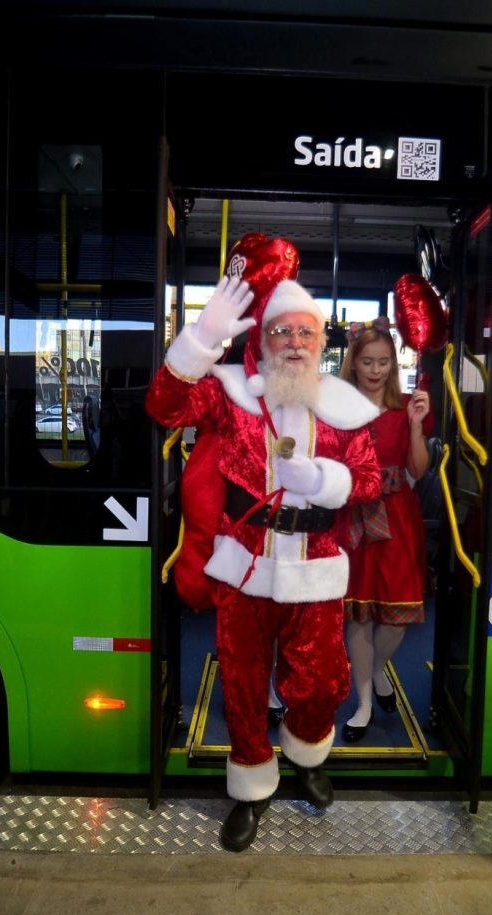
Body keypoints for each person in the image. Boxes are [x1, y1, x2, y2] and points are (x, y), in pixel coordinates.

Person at [146, 269, 380, 852]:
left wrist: (328, 479)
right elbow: (164, 407)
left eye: (306, 332)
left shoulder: (344, 408)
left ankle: (306, 754)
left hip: (318, 567)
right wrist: (202, 337)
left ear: (321, 341)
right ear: (263, 340)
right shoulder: (229, 394)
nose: (295, 342)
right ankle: (251, 789)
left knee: (322, 681)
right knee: (245, 685)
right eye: (282, 331)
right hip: (244, 565)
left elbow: (372, 480)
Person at [337, 318, 431, 743]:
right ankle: (363, 703)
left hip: (397, 518)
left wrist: (414, 427)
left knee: (396, 618)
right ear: (353, 363)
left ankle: (377, 671)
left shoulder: (408, 406)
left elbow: (418, 470)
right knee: (356, 617)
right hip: (352, 514)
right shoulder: (335, 407)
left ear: (394, 365)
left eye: (384, 363)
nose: (376, 370)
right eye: (368, 362)